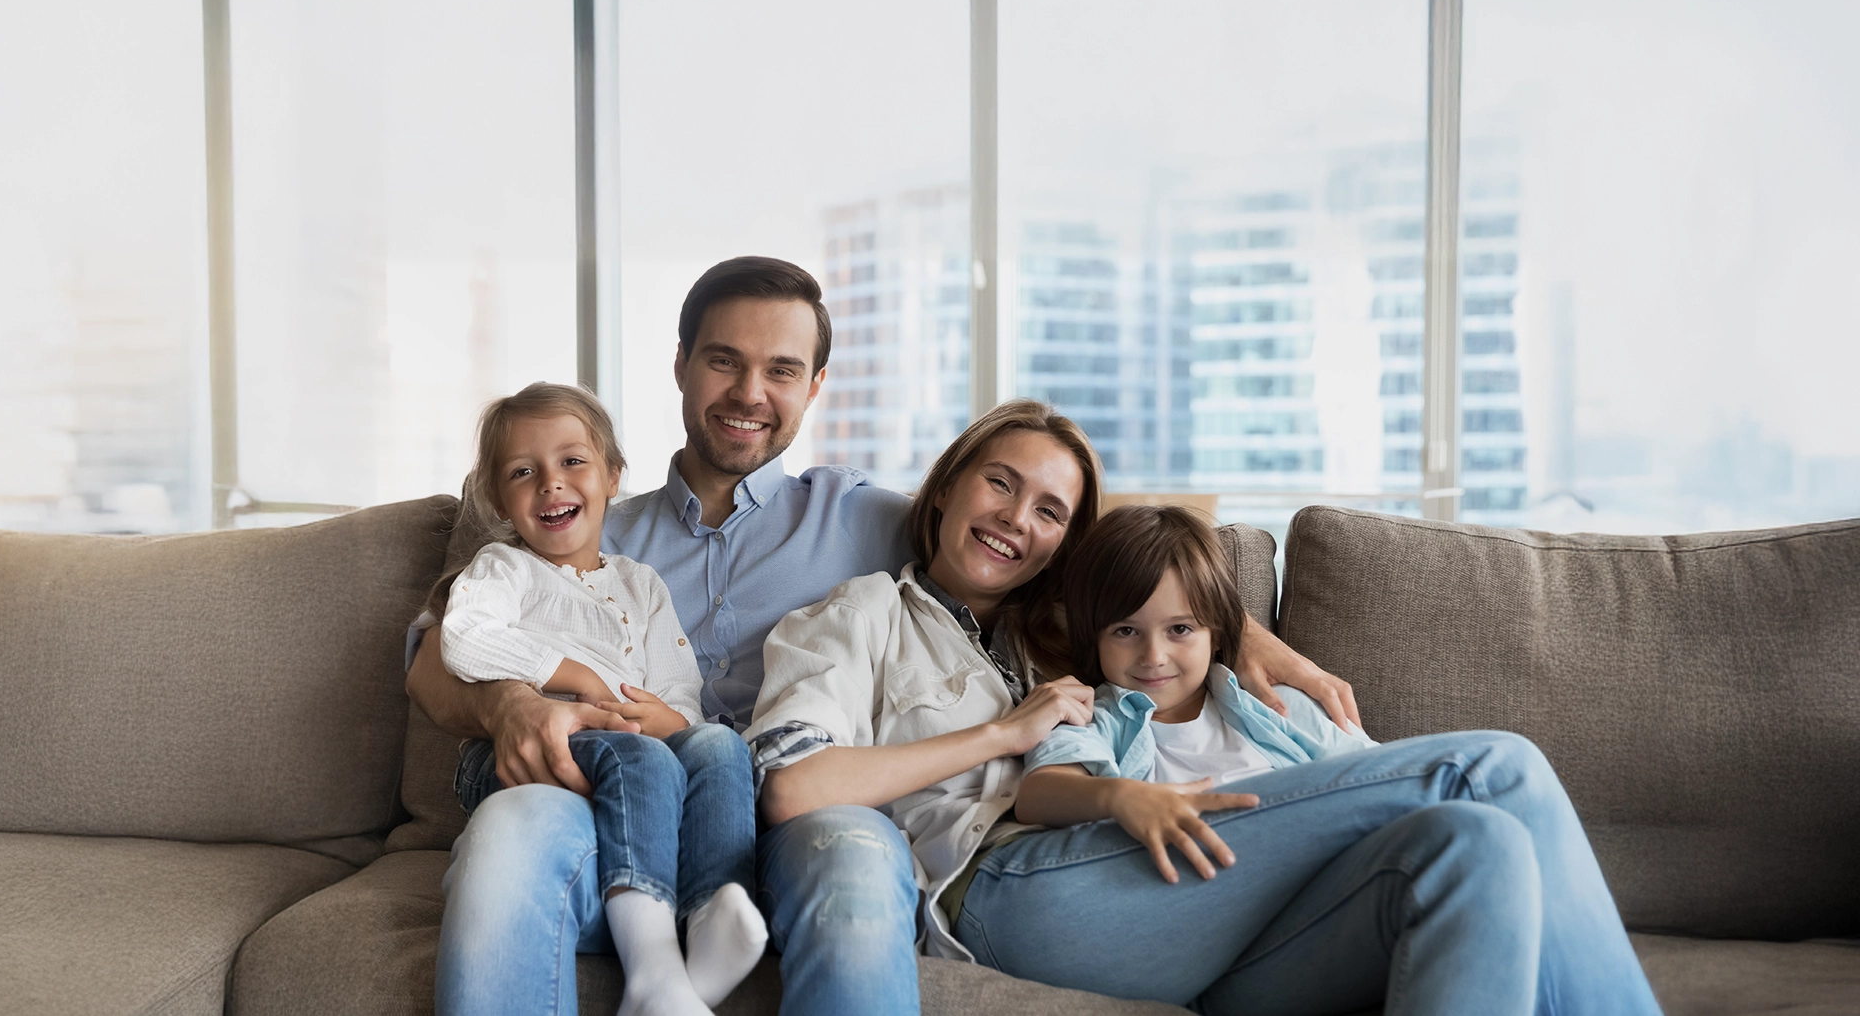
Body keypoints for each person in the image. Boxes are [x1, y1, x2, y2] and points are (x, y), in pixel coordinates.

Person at [405, 256, 1361, 1016]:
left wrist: (1243, 633)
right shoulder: (584, 511)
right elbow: (435, 652)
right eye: (724, 360)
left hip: (809, 803)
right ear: (682, 366)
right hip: (615, 793)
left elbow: (1063, 550)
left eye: (781, 369)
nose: (749, 391)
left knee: (858, 858)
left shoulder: (866, 517)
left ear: (814, 386)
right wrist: (513, 700)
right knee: (508, 834)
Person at [749, 401, 1663, 1016]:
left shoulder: (1069, 628)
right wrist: (1000, 733)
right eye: (999, 483)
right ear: (945, 486)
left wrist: (1249, 637)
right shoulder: (857, 616)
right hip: (1015, 891)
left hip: (1180, 913)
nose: (1018, 518)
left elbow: (1165, 600)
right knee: (1490, 770)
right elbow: (796, 788)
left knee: (1477, 844)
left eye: (1051, 511)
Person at [432, 382, 762, 1016]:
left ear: (613, 477)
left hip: (630, 746)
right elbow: (464, 643)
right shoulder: (505, 568)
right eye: (523, 472)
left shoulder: (641, 583)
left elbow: (678, 686)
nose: (551, 484)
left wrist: (672, 719)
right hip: (521, 754)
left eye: (572, 462)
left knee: (719, 744)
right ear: (500, 500)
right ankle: (653, 968)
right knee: (642, 757)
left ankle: (711, 915)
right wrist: (575, 676)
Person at [1015, 504, 1376, 884]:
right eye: (1125, 631)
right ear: (1094, 639)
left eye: (1180, 630)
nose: (1153, 657)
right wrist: (1118, 797)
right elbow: (1037, 794)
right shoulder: (1097, 718)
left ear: (1216, 634)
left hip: (1318, 868)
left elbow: (1379, 777)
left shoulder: (1274, 704)